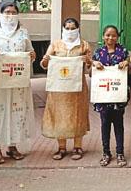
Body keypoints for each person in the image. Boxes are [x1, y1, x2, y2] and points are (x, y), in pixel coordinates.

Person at [0, 1, 36, 164]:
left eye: (13, 12)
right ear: (0, 14)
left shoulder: (23, 32)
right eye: (7, 12)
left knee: (16, 111)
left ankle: (12, 145)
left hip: (17, 80)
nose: (10, 15)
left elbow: (30, 51)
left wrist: (31, 56)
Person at [40, 18, 92, 161]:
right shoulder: (56, 45)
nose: (70, 31)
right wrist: (46, 59)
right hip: (59, 89)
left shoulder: (84, 45)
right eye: (67, 28)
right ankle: (61, 147)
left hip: (77, 89)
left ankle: (77, 146)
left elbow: (89, 65)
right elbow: (44, 64)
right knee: (59, 116)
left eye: (73, 28)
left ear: (78, 29)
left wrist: (87, 60)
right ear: (63, 29)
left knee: (77, 115)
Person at [92, 25, 131, 167]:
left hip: (118, 95)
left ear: (117, 37)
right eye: (107, 35)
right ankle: (106, 152)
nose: (110, 38)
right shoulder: (98, 53)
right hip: (103, 96)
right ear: (103, 36)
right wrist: (94, 63)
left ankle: (120, 152)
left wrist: (127, 63)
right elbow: (91, 70)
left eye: (113, 35)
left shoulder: (123, 51)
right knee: (105, 125)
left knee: (119, 125)